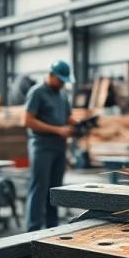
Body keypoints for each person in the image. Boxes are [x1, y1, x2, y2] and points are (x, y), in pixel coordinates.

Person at [23, 60, 77, 231]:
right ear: (51, 75)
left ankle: (51, 228)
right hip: (42, 146)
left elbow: (68, 117)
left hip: (59, 147)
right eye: (60, 80)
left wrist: (80, 125)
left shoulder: (62, 95)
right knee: (39, 188)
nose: (62, 84)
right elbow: (27, 120)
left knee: (55, 190)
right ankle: (33, 230)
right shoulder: (37, 92)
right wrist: (57, 130)